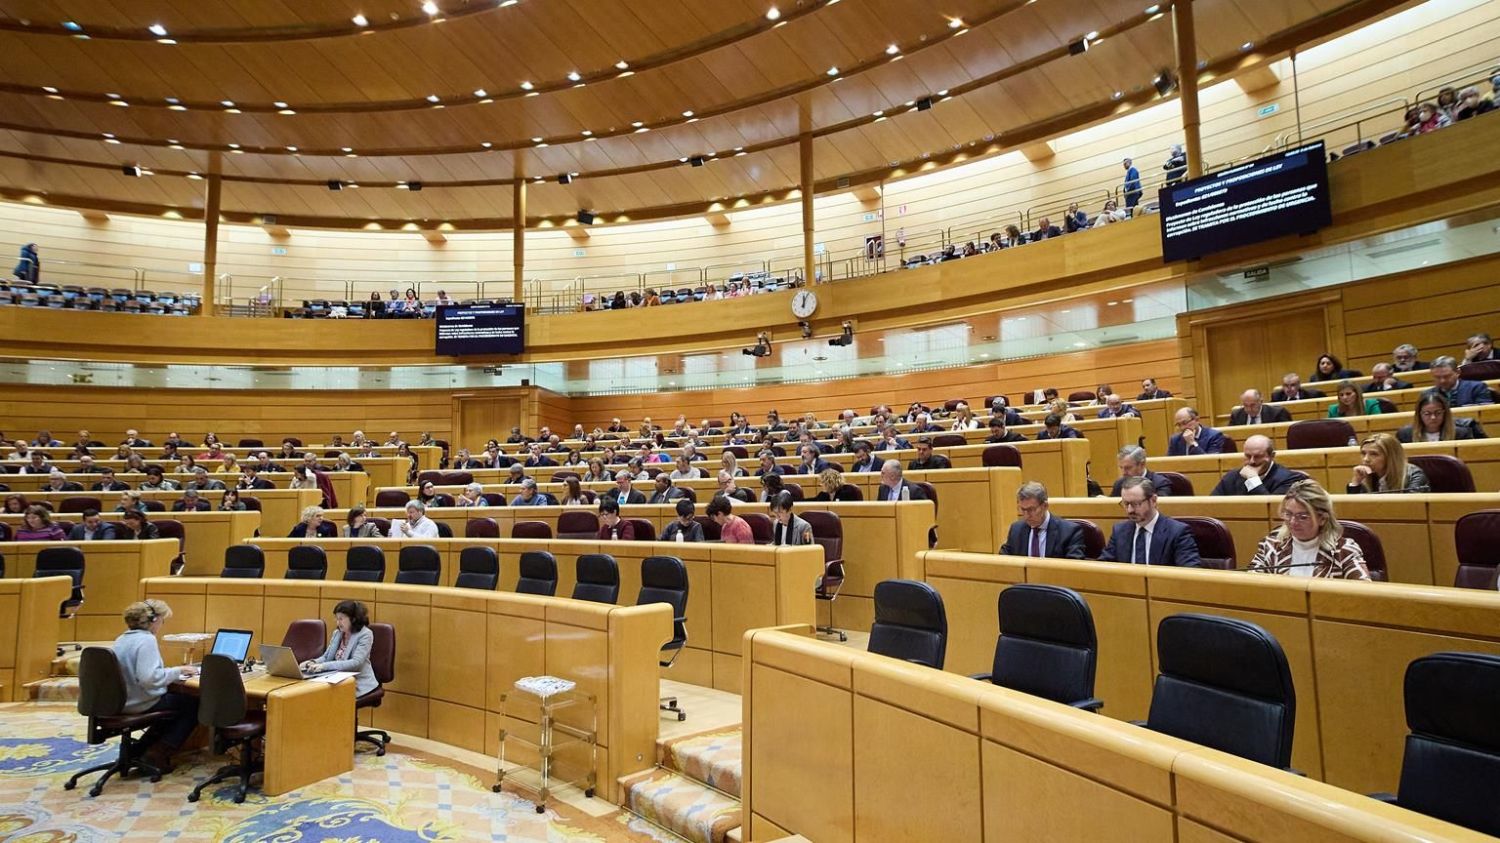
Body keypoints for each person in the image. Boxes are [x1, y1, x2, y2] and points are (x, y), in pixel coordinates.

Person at [112, 599, 200, 772]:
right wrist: (178, 671)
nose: (162, 624)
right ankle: (157, 753)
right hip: (138, 701)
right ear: (154, 620)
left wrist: (170, 673)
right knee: (193, 705)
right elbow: (148, 679)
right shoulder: (146, 640)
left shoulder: (122, 639)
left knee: (172, 707)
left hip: (120, 701)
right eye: (162, 620)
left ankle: (137, 750)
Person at [1248, 481, 1371, 579]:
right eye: (1288, 514)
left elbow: (1364, 592)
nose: (1292, 522)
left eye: (1303, 517)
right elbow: (1252, 583)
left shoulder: (1344, 550)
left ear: (1322, 518)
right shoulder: (1271, 544)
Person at [1099, 477, 1201, 567]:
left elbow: (1190, 572)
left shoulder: (1177, 532)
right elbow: (1104, 566)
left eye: (1136, 504)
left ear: (1153, 500)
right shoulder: (1119, 531)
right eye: (1126, 504)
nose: (1130, 510)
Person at [299, 600, 379, 697]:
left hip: (358, 682)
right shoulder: (337, 633)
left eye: (341, 619)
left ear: (353, 619)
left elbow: (356, 663)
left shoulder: (365, 634)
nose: (338, 623)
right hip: (336, 678)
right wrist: (312, 662)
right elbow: (326, 658)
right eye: (336, 619)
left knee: (324, 696)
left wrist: (324, 666)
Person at [1000, 482, 1085, 558]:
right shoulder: (1016, 529)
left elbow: (1074, 568)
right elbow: (1004, 561)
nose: (1026, 515)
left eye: (1031, 510)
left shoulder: (1069, 532)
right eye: (1022, 509)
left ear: (1045, 506)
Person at [1211, 435, 1303, 496]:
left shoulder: (1289, 479)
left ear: (1272, 456)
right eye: (1248, 456)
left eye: (1258, 456)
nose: (1252, 461)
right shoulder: (1232, 476)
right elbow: (1211, 505)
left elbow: (1271, 510)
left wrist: (1253, 480)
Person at [1347, 433, 1430, 494]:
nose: (1366, 459)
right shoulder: (1368, 476)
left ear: (1391, 457)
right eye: (1363, 453)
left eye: (1374, 454)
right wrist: (1356, 483)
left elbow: (1412, 508)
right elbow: (1354, 510)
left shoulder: (1414, 475)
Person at [1426, 356, 1495, 407]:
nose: (1442, 381)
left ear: (1458, 372)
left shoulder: (1477, 387)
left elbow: (1486, 414)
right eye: (1437, 377)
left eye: (1446, 376)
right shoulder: (1427, 394)